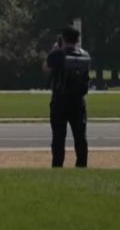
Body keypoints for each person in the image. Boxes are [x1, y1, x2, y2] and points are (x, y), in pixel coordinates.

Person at [44, 26, 91, 168]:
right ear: (77, 40)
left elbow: (46, 68)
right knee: (80, 136)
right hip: (78, 101)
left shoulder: (57, 54)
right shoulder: (85, 55)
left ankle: (58, 165)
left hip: (60, 100)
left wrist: (53, 50)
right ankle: (81, 164)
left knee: (59, 136)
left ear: (63, 38)